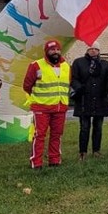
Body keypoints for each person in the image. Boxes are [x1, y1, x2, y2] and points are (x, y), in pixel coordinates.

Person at [23, 39, 70, 168]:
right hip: (42, 107)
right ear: (46, 51)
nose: (55, 52)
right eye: (52, 50)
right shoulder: (36, 65)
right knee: (40, 135)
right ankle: (36, 162)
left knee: (57, 134)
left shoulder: (66, 66)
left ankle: (54, 160)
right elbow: (27, 85)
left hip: (60, 107)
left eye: (57, 49)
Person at [70, 43, 108, 159]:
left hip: (100, 98)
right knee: (84, 127)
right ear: (87, 50)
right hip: (84, 98)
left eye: (96, 49)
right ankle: (82, 151)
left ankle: (96, 150)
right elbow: (73, 78)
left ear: (99, 51)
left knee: (98, 127)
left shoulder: (104, 64)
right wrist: (79, 87)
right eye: (91, 49)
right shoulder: (79, 62)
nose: (93, 51)